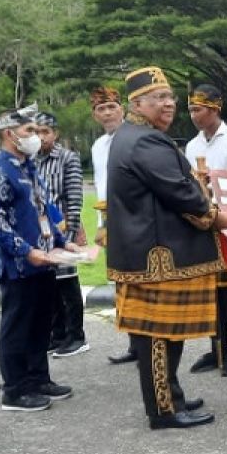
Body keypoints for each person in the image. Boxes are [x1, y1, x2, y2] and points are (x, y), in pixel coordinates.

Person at [106, 68, 227, 430]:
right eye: (159, 98)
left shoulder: (133, 135)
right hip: (157, 256)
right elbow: (180, 191)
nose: (169, 104)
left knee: (166, 334)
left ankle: (171, 395)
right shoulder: (144, 141)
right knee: (159, 336)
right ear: (137, 103)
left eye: (170, 97)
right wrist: (215, 216)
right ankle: (163, 409)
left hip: (149, 253)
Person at [0, 105, 77, 413]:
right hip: (19, 265)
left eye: (36, 131)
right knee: (17, 325)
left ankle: (38, 378)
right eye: (29, 132)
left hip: (45, 260)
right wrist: (25, 250)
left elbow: (43, 212)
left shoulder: (28, 168)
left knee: (40, 323)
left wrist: (64, 244)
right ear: (10, 134)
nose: (35, 137)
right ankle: (15, 389)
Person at [184, 82, 227, 377]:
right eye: (190, 109)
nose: (192, 115)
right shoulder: (192, 145)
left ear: (214, 109)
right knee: (210, 292)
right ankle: (217, 350)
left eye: (197, 109)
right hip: (204, 227)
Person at [89, 87, 138, 367]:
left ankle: (147, 341)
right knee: (120, 283)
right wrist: (100, 225)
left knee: (138, 281)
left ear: (122, 109)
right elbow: (100, 188)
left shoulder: (132, 138)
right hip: (111, 222)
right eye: (101, 109)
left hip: (133, 220)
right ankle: (133, 342)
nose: (107, 112)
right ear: (95, 115)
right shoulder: (97, 146)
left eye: (111, 107)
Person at [34, 111, 89, 358]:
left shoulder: (68, 158)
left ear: (55, 134)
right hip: (40, 233)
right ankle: (57, 335)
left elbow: (74, 198)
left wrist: (70, 233)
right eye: (35, 132)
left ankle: (76, 336)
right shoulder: (30, 160)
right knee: (50, 286)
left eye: (45, 131)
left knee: (67, 283)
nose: (40, 137)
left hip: (62, 229)